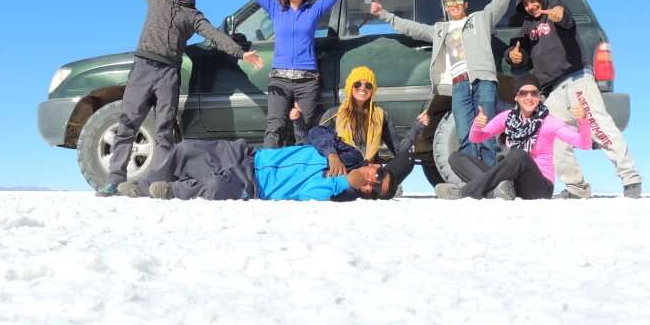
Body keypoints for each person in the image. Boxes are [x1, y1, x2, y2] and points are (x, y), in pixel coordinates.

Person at [97, 0, 265, 197]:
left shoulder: (193, 15)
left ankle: (158, 180)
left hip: (169, 73)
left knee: (165, 129)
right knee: (129, 122)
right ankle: (114, 179)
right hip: (143, 66)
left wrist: (240, 53)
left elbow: (214, 35)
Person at [215, 0, 374, 147]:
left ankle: (307, 171)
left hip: (306, 82)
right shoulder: (275, 9)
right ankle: (267, 173)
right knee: (275, 127)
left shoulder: (314, 11)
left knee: (307, 128)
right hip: (279, 80)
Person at [370, 0, 515, 166]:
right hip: (458, 85)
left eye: (458, 1)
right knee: (465, 134)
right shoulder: (441, 29)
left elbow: (500, 3)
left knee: (485, 131)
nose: (454, 5)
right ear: (446, 8)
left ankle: (491, 180)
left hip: (482, 80)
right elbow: (413, 28)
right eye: (449, 3)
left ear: (465, 4)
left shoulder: (481, 19)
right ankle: (472, 180)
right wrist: (384, 15)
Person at [506, 0, 642, 199]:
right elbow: (518, 51)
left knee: (598, 125)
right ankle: (577, 188)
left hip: (576, 77)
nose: (531, 6)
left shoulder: (555, 7)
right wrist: (513, 56)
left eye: (534, 0)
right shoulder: (527, 27)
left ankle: (630, 179)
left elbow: (564, 16)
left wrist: (558, 14)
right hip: (553, 89)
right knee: (549, 133)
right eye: (526, 3)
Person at [117, 113, 430, 201]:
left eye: (376, 188)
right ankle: (145, 184)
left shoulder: (343, 195)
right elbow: (317, 134)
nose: (375, 178)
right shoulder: (351, 153)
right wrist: (333, 153)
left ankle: (173, 191)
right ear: (377, 164)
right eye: (381, 174)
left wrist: (343, 183)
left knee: (214, 187)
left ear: (367, 192)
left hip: (253, 185)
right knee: (186, 150)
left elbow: (309, 195)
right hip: (251, 156)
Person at [437, 74, 591, 200]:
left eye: (534, 93)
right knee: (456, 158)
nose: (529, 97)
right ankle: (496, 191)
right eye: (523, 93)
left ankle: (464, 192)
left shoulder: (549, 121)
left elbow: (584, 144)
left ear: (539, 97)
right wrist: (477, 125)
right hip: (512, 184)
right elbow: (476, 138)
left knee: (518, 154)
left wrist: (583, 121)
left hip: (539, 187)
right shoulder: (507, 117)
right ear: (516, 97)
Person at [290, 66, 400, 162]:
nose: (363, 88)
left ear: (372, 90)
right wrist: (298, 122)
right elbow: (314, 143)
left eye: (368, 85)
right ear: (350, 87)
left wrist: (417, 127)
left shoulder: (381, 116)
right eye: (357, 84)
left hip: (369, 176)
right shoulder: (334, 115)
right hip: (344, 171)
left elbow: (399, 150)